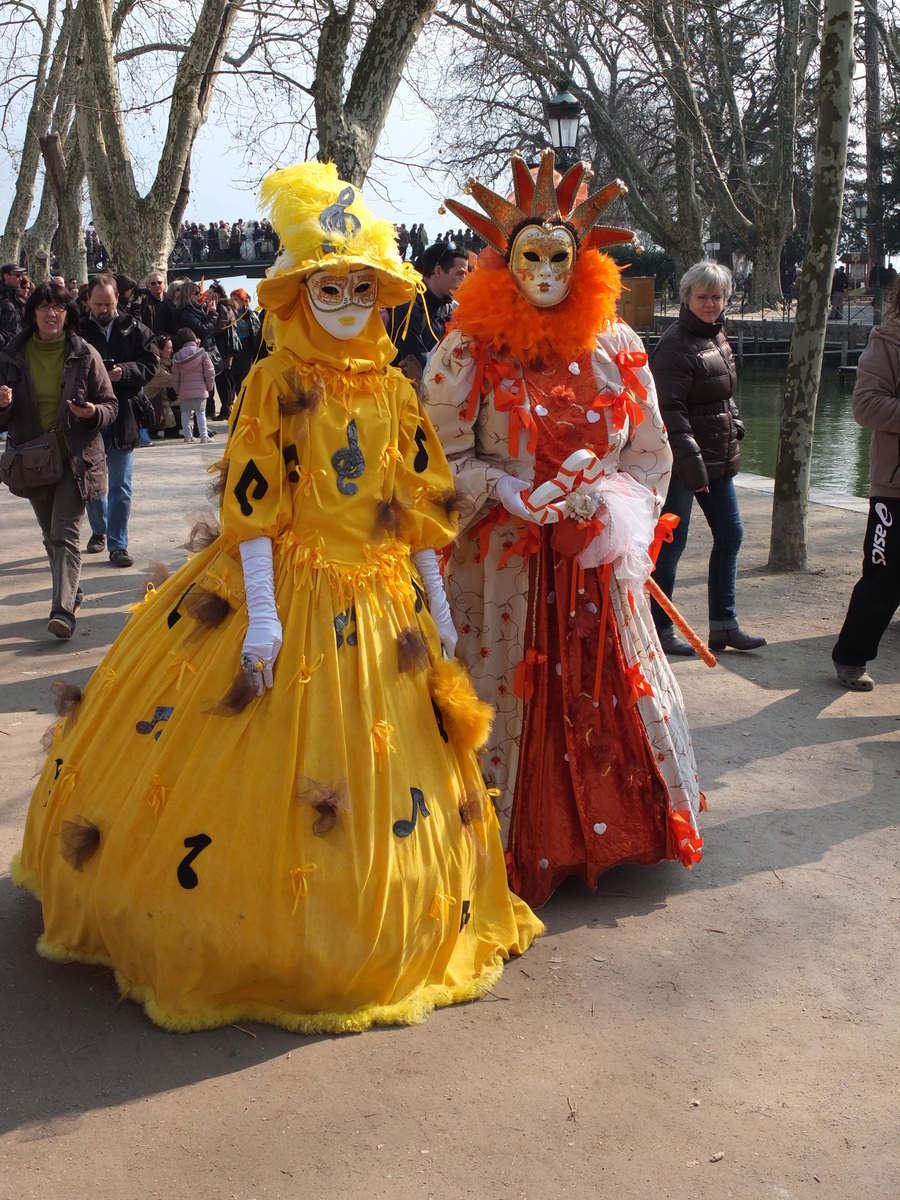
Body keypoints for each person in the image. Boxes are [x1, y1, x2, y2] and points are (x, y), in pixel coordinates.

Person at [10, 161, 541, 1034]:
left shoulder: (396, 389)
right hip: (283, 592)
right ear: (298, 294)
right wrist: (261, 610)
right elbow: (254, 505)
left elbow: (414, 511)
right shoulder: (271, 381)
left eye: (357, 286)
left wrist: (440, 610)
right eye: (325, 286)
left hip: (379, 614)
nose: (342, 301)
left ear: (381, 291)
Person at [422, 151, 703, 909]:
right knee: (505, 679)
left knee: (602, 669)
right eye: (530, 256)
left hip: (589, 556)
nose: (544, 270)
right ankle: (512, 833)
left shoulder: (616, 347)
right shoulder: (467, 351)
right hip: (504, 557)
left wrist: (612, 505)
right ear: (503, 261)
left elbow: (650, 449)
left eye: (557, 257)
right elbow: (435, 458)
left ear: (582, 263)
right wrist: (506, 490)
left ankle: (607, 832)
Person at [648, 262, 764, 655]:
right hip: (685, 464)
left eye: (717, 297)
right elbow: (669, 411)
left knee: (731, 535)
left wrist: (736, 422)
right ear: (687, 298)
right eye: (703, 297)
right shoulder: (675, 344)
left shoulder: (717, 336)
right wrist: (693, 467)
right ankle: (660, 629)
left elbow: (722, 393)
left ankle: (724, 625)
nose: (711, 304)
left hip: (716, 456)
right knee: (670, 544)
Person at [0, 280, 117, 638]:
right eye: (44, 307)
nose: (52, 313)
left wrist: (92, 412)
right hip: (32, 459)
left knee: (64, 533)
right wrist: (2, 405)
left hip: (74, 460)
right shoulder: (10, 357)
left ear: (68, 315)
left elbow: (110, 405)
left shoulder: (85, 353)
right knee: (50, 536)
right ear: (32, 314)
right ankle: (71, 589)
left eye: (59, 307)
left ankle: (63, 612)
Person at [831, 277, 900, 690]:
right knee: (884, 576)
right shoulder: (887, 342)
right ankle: (851, 656)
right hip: (894, 486)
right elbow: (866, 405)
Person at [80, 273, 158, 568]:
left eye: (109, 304)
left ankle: (118, 543)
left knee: (121, 484)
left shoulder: (134, 328)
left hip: (124, 411)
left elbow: (151, 364)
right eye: (98, 304)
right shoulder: (77, 331)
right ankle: (99, 529)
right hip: (88, 414)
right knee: (91, 483)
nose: (103, 309)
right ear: (88, 301)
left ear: (117, 300)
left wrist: (123, 372)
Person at [387, 242, 468, 372]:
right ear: (438, 271)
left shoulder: (449, 308)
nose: (464, 279)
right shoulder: (408, 308)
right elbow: (417, 364)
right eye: (460, 273)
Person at [170, 327, 214, 442]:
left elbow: (175, 376)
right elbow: (209, 372)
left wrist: (178, 389)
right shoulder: (202, 353)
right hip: (200, 389)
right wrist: (209, 386)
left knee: (185, 413)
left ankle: (187, 436)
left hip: (184, 390)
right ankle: (204, 436)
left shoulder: (178, 356)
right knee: (200, 413)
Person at [0, 262, 26, 349]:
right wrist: (4, 342)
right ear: (6, 276)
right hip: (5, 350)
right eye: (17, 275)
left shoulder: (16, 297)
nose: (21, 278)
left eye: (21, 275)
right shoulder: (1, 297)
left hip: (18, 348)